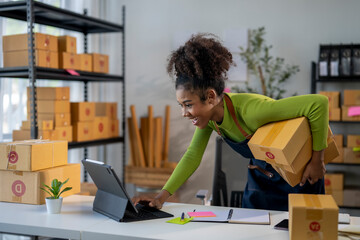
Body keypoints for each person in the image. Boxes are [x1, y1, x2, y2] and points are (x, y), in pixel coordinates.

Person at [132, 33, 328, 211]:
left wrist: (317, 161)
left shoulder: (251, 111)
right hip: (261, 178)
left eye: (188, 105)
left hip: (300, 176)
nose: (184, 113)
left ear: (210, 97)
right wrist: (160, 198)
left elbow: (318, 103)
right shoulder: (211, 120)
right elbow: (192, 156)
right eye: (181, 105)